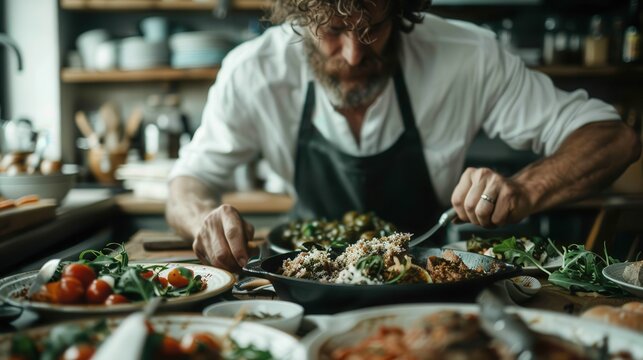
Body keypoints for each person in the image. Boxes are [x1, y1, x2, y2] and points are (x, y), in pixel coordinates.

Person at [166, 0, 641, 272]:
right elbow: (186, 183)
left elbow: (613, 138)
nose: (353, 55)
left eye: (373, 28)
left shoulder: (466, 56)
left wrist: (527, 188)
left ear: (401, 11)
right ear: (299, 15)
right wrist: (204, 219)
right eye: (333, 30)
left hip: (431, 278)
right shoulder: (252, 72)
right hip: (301, 285)